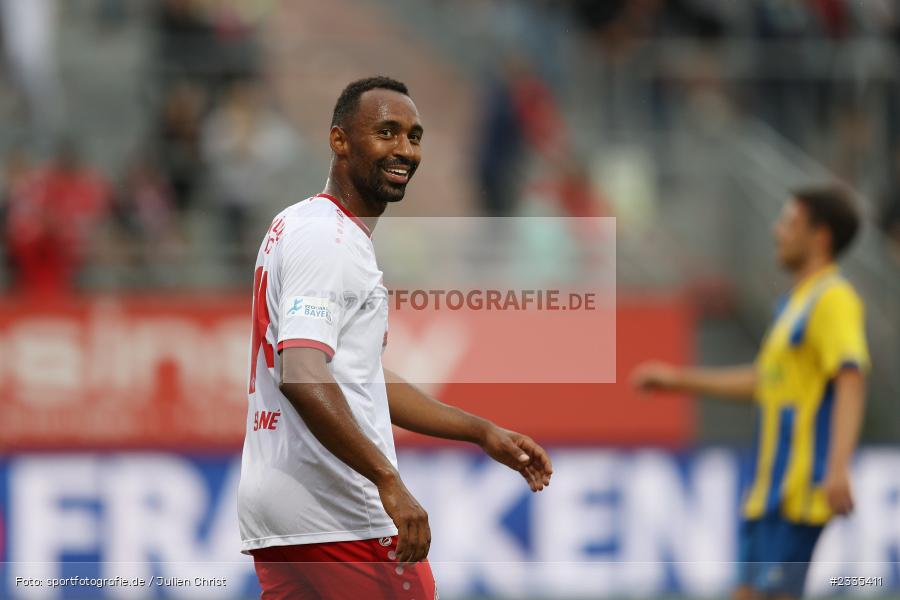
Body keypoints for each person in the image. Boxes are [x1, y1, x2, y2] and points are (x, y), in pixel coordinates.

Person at [238, 76, 554, 600]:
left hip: (280, 509)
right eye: (387, 132)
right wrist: (387, 480)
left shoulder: (297, 223)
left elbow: (349, 376)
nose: (404, 150)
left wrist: (479, 431)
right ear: (340, 140)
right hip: (339, 506)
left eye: (414, 136)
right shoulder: (331, 239)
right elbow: (301, 373)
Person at [632, 186, 869, 600]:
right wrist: (677, 380)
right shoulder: (793, 303)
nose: (777, 231)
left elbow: (850, 377)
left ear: (821, 237)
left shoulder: (833, 299)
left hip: (797, 490)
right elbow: (765, 382)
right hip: (769, 491)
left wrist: (838, 467)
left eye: (789, 223)